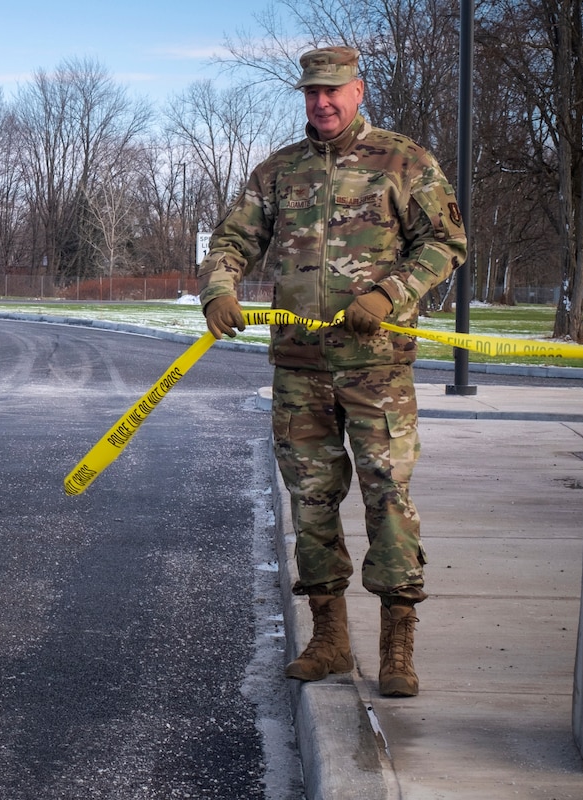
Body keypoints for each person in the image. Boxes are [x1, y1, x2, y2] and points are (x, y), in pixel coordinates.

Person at [197, 47, 467, 697]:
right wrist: (218, 288)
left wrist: (391, 293)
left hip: (377, 369)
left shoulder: (404, 162)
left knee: (389, 499)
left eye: (333, 91)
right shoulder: (280, 172)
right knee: (312, 504)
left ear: (357, 90)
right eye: (311, 92)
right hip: (300, 368)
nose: (322, 103)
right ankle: (329, 639)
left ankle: (397, 643)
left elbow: (446, 242)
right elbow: (233, 240)